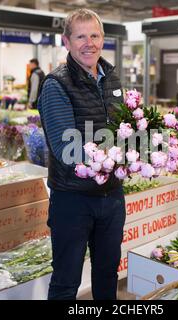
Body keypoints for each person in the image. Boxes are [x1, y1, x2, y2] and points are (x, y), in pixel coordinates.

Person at [37, 9, 125, 300]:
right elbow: (66, 148)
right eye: (81, 36)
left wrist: (141, 147)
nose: (89, 43)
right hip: (73, 200)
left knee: (107, 273)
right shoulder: (56, 84)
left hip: (111, 197)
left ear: (103, 39)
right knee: (66, 281)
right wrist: (116, 154)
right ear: (66, 41)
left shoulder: (112, 79)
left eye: (95, 35)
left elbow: (123, 128)